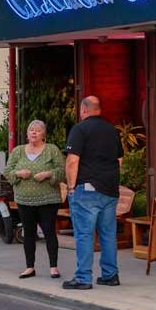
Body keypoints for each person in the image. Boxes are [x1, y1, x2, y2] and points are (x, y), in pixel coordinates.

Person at [62, 95, 122, 289]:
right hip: (110, 189)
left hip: (87, 189)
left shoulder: (79, 129)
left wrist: (71, 188)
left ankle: (83, 278)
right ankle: (110, 275)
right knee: (108, 235)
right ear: (99, 110)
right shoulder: (112, 131)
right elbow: (119, 160)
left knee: (84, 235)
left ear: (84, 110)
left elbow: (72, 161)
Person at [6, 119, 62, 280]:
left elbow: (61, 171)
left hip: (48, 199)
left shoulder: (52, 150)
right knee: (28, 232)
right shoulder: (18, 151)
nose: (34, 132)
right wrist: (18, 174)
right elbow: (8, 170)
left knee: (49, 231)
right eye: (31, 130)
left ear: (43, 134)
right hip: (25, 199)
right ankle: (30, 267)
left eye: (37, 130)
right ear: (27, 133)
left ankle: (53, 267)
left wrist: (48, 174)